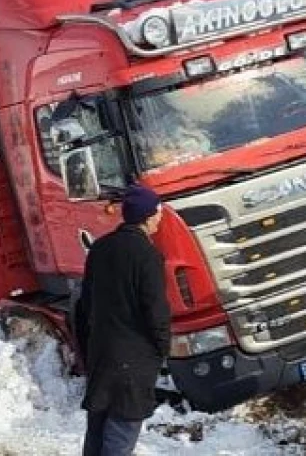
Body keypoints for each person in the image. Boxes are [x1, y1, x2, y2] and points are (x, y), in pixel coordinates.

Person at [75, 184, 171, 456]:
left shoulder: (100, 249)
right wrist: (162, 346)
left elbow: (86, 305)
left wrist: (88, 348)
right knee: (121, 434)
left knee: (97, 430)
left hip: (102, 354)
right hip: (134, 360)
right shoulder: (148, 256)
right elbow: (155, 309)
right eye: (158, 212)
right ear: (148, 216)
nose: (160, 217)